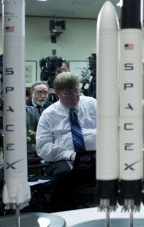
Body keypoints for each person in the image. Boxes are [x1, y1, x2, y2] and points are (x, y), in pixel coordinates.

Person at [36, 72, 97, 211]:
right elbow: (43, 146)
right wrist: (68, 154)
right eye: (69, 94)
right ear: (57, 93)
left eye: (77, 91)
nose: (75, 97)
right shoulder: (49, 114)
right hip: (65, 160)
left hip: (96, 157)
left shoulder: (92, 103)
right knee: (63, 176)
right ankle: (64, 214)